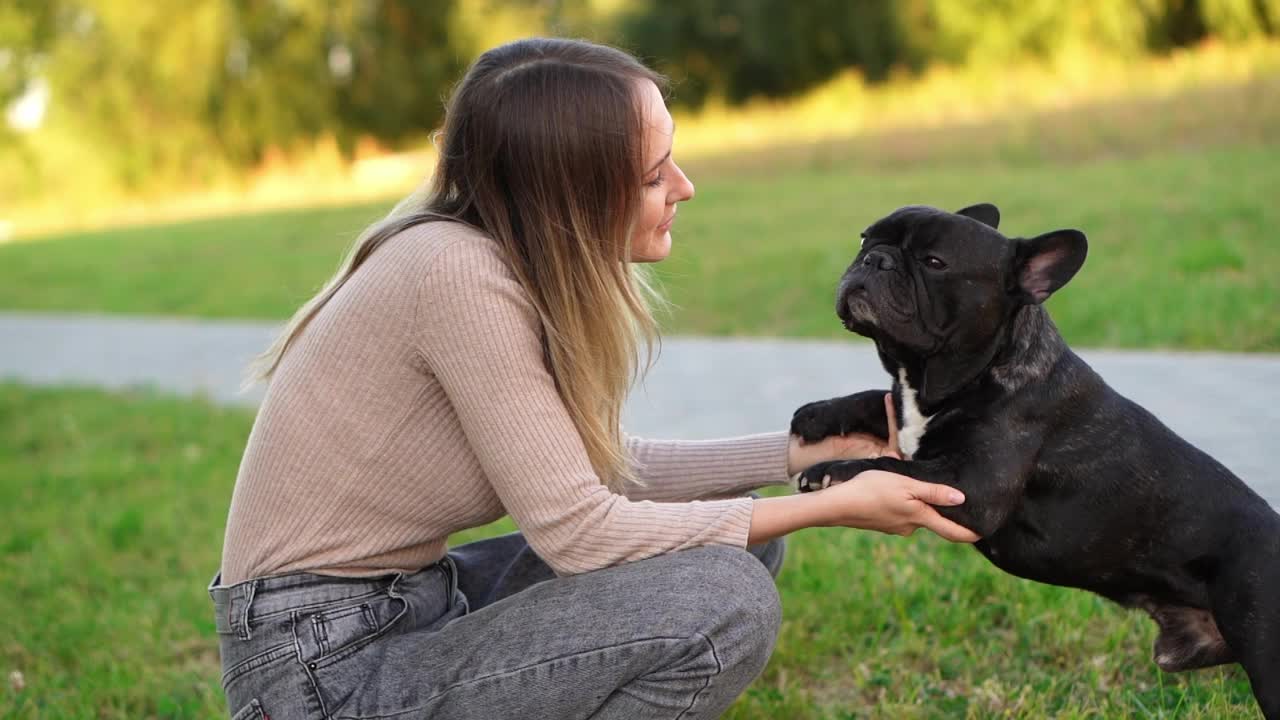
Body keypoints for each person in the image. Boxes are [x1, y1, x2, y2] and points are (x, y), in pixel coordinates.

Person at [208, 37, 978, 720]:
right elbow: (580, 534)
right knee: (725, 597)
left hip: (406, 607)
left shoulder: (484, 259)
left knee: (731, 545)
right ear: (569, 194)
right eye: (651, 174)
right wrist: (831, 506)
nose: (684, 186)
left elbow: (597, 474)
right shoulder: (454, 275)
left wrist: (799, 455)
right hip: (320, 676)